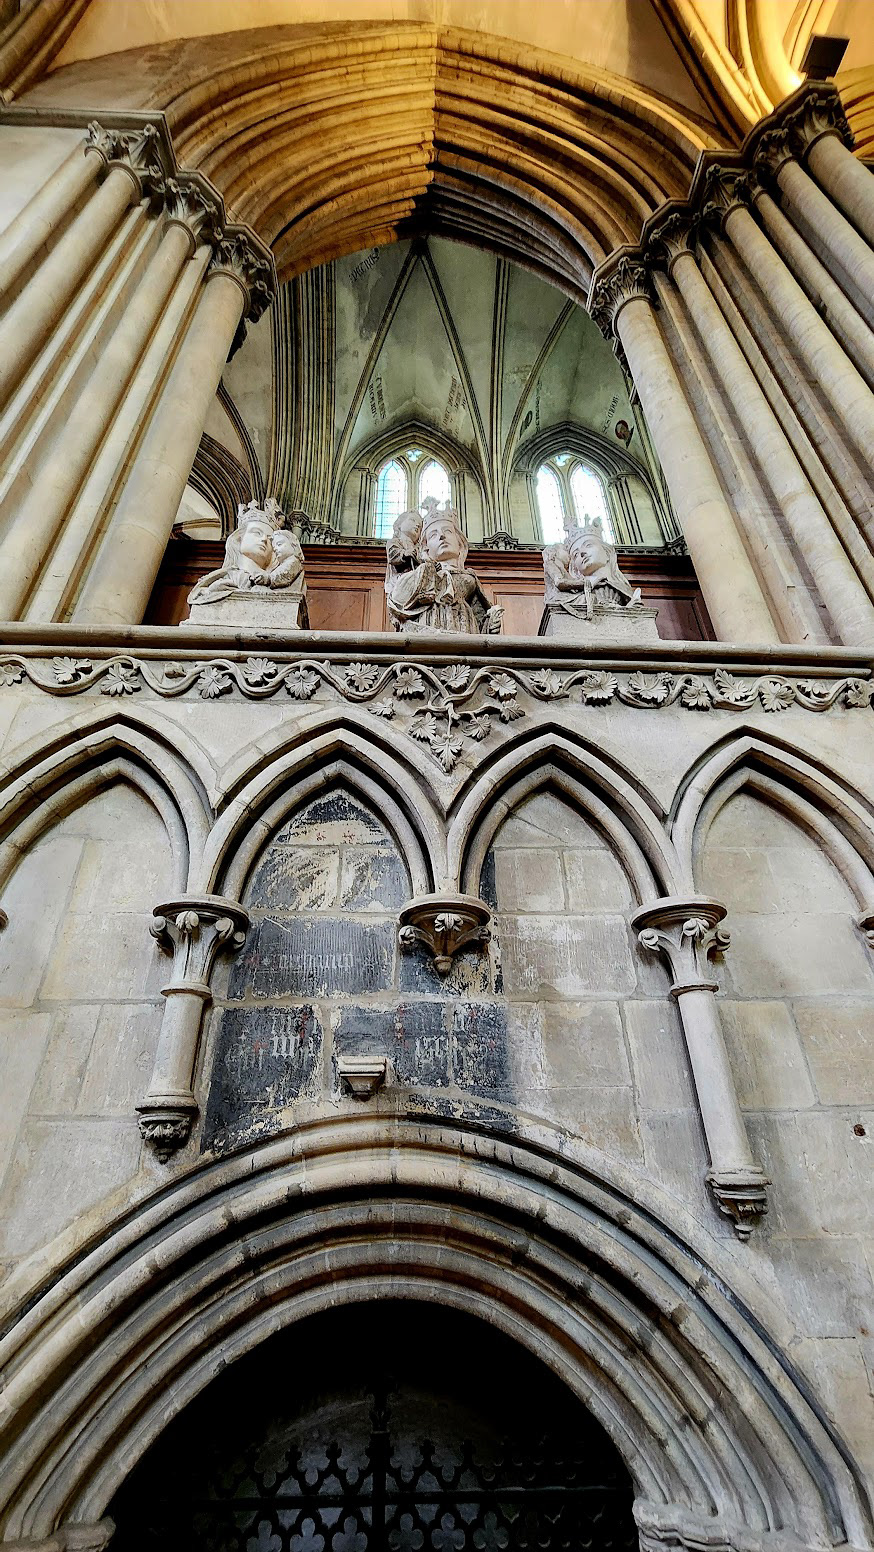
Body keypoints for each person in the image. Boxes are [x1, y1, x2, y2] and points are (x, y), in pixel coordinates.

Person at [386, 504, 502, 635]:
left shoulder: (470, 577)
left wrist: (490, 625)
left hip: (465, 629)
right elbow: (398, 605)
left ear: (460, 543)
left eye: (448, 531)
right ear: (425, 547)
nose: (442, 536)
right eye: (433, 535)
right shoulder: (420, 574)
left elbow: (480, 618)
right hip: (428, 627)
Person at [543, 519, 641, 620]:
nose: (582, 553)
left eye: (588, 545)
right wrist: (587, 584)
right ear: (576, 569)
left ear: (607, 552)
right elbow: (560, 582)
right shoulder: (579, 594)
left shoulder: (623, 588)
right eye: (575, 554)